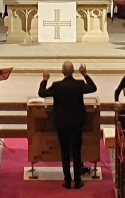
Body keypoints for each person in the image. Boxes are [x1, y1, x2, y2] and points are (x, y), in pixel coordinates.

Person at [38, 61, 97, 189]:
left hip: (62, 123)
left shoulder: (57, 86)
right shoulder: (79, 84)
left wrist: (44, 79)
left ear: (62, 72)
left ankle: (67, 181)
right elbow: (93, 88)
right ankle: (78, 180)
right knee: (76, 152)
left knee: (64, 151)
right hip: (77, 122)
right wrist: (85, 74)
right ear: (74, 71)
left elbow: (42, 93)